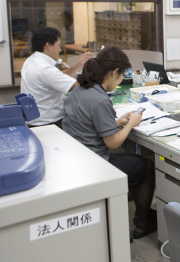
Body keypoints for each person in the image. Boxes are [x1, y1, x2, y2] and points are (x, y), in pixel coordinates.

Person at [62, 46, 157, 239]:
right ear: (114, 73)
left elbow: (88, 123)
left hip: (77, 157)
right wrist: (131, 123)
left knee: (133, 161)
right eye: (122, 75)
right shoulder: (100, 99)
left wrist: (117, 121)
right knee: (145, 166)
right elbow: (113, 143)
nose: (122, 79)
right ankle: (142, 223)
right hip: (95, 164)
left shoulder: (79, 89)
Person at [21, 27, 93, 128]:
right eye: (58, 45)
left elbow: (57, 77)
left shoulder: (31, 60)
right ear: (48, 45)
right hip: (50, 124)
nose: (59, 49)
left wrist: (77, 66)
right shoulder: (44, 69)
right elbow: (77, 87)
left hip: (35, 122)